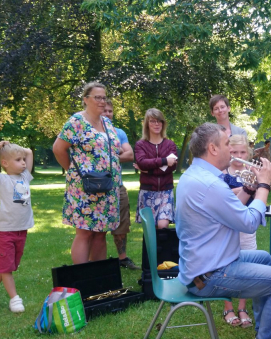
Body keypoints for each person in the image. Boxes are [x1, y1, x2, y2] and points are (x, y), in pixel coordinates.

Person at [176, 123, 271, 339]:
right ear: (212, 149)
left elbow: (228, 205)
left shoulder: (197, 175)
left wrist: (250, 187)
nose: (230, 150)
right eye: (225, 145)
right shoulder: (210, 184)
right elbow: (248, 222)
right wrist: (264, 185)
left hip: (205, 264)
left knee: (265, 259)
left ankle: (266, 334)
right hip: (210, 274)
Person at [53, 82, 121, 264]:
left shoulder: (106, 122)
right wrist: (73, 171)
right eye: (97, 97)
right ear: (85, 100)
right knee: (84, 232)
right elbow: (58, 149)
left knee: (100, 233)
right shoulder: (76, 122)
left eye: (104, 97)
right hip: (84, 188)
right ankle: (82, 279)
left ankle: (97, 279)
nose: (102, 101)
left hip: (107, 187)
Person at [0, 141, 34, 313]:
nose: (23, 162)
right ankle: (14, 299)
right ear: (4, 163)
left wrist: (16, 149)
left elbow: (30, 152)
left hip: (21, 230)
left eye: (23, 160)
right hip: (6, 231)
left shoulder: (25, 176)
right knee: (7, 267)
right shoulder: (0, 179)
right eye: (18, 160)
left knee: (7, 265)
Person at [220, 134, 256, 328]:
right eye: (234, 152)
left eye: (243, 152)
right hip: (227, 225)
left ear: (248, 153)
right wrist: (245, 188)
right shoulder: (222, 171)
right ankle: (228, 307)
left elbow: (259, 193)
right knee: (226, 265)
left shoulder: (251, 170)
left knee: (247, 265)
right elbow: (221, 195)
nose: (238, 156)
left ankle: (242, 307)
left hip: (247, 224)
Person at [101, 100, 138, 270]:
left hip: (118, 186)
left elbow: (130, 155)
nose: (107, 113)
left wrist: (104, 155)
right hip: (97, 187)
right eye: (104, 110)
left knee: (122, 224)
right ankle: (97, 263)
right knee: (98, 228)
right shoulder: (90, 132)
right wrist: (117, 152)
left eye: (110, 111)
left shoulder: (119, 132)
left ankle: (122, 259)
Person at [134, 108, 178, 229]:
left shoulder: (170, 144)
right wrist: (164, 161)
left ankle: (163, 249)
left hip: (166, 191)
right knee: (150, 231)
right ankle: (151, 249)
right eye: (152, 121)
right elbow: (142, 163)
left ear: (163, 124)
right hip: (147, 192)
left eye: (159, 121)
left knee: (163, 225)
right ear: (147, 124)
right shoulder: (140, 145)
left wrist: (150, 170)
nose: (156, 124)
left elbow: (172, 166)